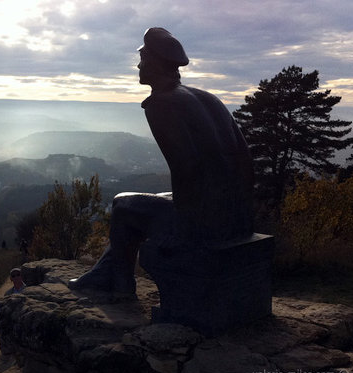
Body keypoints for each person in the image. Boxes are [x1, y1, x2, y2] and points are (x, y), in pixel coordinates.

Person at [69, 27, 254, 295]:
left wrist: (183, 225)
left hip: (206, 223)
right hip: (236, 217)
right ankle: (112, 274)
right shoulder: (207, 98)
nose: (138, 65)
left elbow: (186, 167)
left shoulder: (162, 103)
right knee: (148, 201)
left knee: (122, 204)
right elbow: (245, 161)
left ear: (155, 63)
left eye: (143, 59)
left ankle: (116, 279)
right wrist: (241, 215)